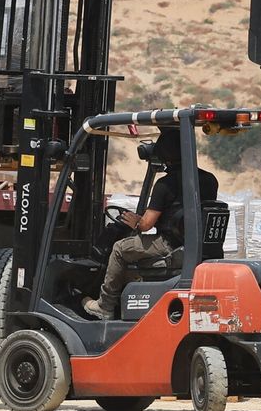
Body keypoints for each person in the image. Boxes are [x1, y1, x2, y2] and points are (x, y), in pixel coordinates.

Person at [83, 132, 218, 320]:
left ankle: (105, 305)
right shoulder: (210, 180)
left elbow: (146, 225)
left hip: (169, 245)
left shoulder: (165, 184)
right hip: (195, 245)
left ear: (165, 153)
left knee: (120, 249)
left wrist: (136, 221)